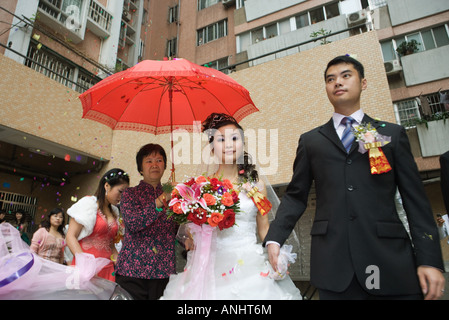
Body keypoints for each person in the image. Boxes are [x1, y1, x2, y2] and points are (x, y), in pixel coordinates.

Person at [265, 55, 445, 300]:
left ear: (364, 83)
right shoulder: (311, 141)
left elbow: (416, 201)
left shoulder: (392, 134)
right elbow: (296, 197)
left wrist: (430, 260)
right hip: (334, 266)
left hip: (389, 260)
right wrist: (274, 238)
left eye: (346, 75)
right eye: (330, 79)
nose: (337, 82)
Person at [161, 113, 302, 300]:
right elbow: (189, 229)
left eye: (234, 138)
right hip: (211, 266)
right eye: (221, 139)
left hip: (249, 263)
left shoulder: (256, 185)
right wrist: (190, 229)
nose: (228, 144)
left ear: (242, 144)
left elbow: (264, 228)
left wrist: (276, 251)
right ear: (211, 148)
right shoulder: (202, 187)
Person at [115, 144, 178, 300]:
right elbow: (133, 223)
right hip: (132, 270)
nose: (155, 164)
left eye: (159, 160)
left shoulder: (175, 195)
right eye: (149, 161)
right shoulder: (130, 194)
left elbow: (179, 230)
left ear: (164, 166)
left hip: (163, 270)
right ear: (140, 168)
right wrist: (162, 199)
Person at [66, 168, 129, 281]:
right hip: (85, 268)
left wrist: (120, 263)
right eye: (120, 192)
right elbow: (70, 237)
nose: (123, 197)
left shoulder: (115, 211)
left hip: (108, 269)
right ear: (107, 186)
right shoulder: (87, 204)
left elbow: (111, 244)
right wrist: (85, 264)